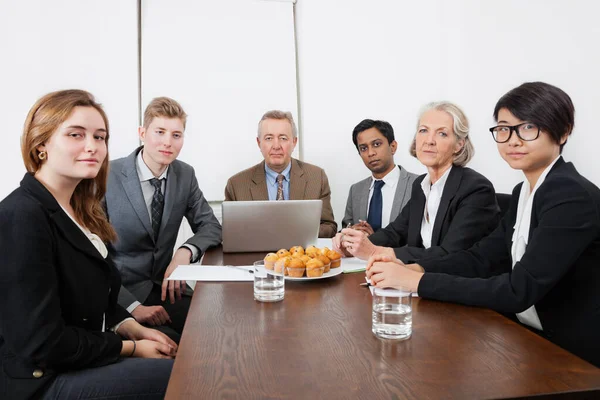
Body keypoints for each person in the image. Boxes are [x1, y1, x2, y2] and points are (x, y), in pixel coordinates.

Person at [367, 82, 600, 367]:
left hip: (573, 354)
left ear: (563, 132)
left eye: (528, 128)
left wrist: (417, 282)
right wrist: (414, 267)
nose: (513, 140)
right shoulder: (524, 191)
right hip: (524, 337)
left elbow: (518, 290)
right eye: (504, 129)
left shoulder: (570, 195)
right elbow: (481, 258)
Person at [0, 90, 176, 400]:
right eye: (75, 135)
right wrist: (131, 348)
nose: (92, 147)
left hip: (82, 353)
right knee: (184, 376)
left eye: (100, 137)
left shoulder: (81, 208)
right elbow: (43, 343)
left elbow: (96, 294)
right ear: (41, 144)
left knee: (181, 348)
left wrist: (129, 326)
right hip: (42, 379)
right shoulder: (22, 216)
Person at [104, 97, 222, 343]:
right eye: (160, 132)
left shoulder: (184, 174)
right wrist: (133, 305)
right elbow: (92, 257)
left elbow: (210, 226)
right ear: (142, 133)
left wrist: (184, 252)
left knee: (217, 329)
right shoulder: (106, 175)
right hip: (119, 295)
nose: (168, 142)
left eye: (176, 135)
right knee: (172, 347)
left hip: (166, 287)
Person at [333, 102, 500, 262]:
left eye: (442, 133)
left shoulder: (476, 188)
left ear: (458, 145)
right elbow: (395, 232)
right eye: (423, 131)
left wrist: (376, 251)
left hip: (453, 286)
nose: (429, 140)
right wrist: (353, 244)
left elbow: (451, 254)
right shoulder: (421, 185)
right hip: (417, 280)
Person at [224, 110, 337, 237]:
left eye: (283, 138)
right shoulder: (236, 185)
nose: (276, 146)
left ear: (294, 142)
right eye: (269, 138)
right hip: (256, 256)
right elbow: (230, 234)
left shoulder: (316, 177)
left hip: (300, 254)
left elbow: (329, 227)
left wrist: (296, 233)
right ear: (259, 143)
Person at [341, 119, 418, 235]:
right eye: (363, 148)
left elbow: (423, 238)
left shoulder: (418, 184)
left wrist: (376, 240)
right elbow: (345, 228)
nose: (370, 153)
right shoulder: (356, 190)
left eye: (376, 144)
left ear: (393, 147)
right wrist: (351, 232)